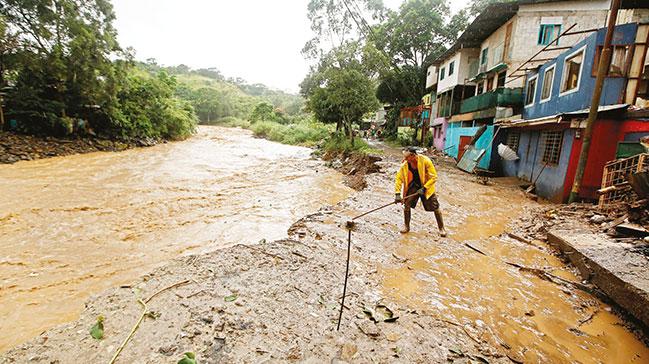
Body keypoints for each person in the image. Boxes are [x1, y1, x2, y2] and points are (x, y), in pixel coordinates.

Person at [394, 146, 447, 237]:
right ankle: (406, 226)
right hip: (414, 185)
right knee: (407, 204)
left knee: (435, 206)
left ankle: (441, 228)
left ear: (413, 155)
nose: (405, 159)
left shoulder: (425, 161)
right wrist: (397, 194)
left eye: (407, 157)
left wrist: (424, 188)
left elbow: (433, 177)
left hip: (426, 185)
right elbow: (399, 179)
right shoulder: (405, 165)